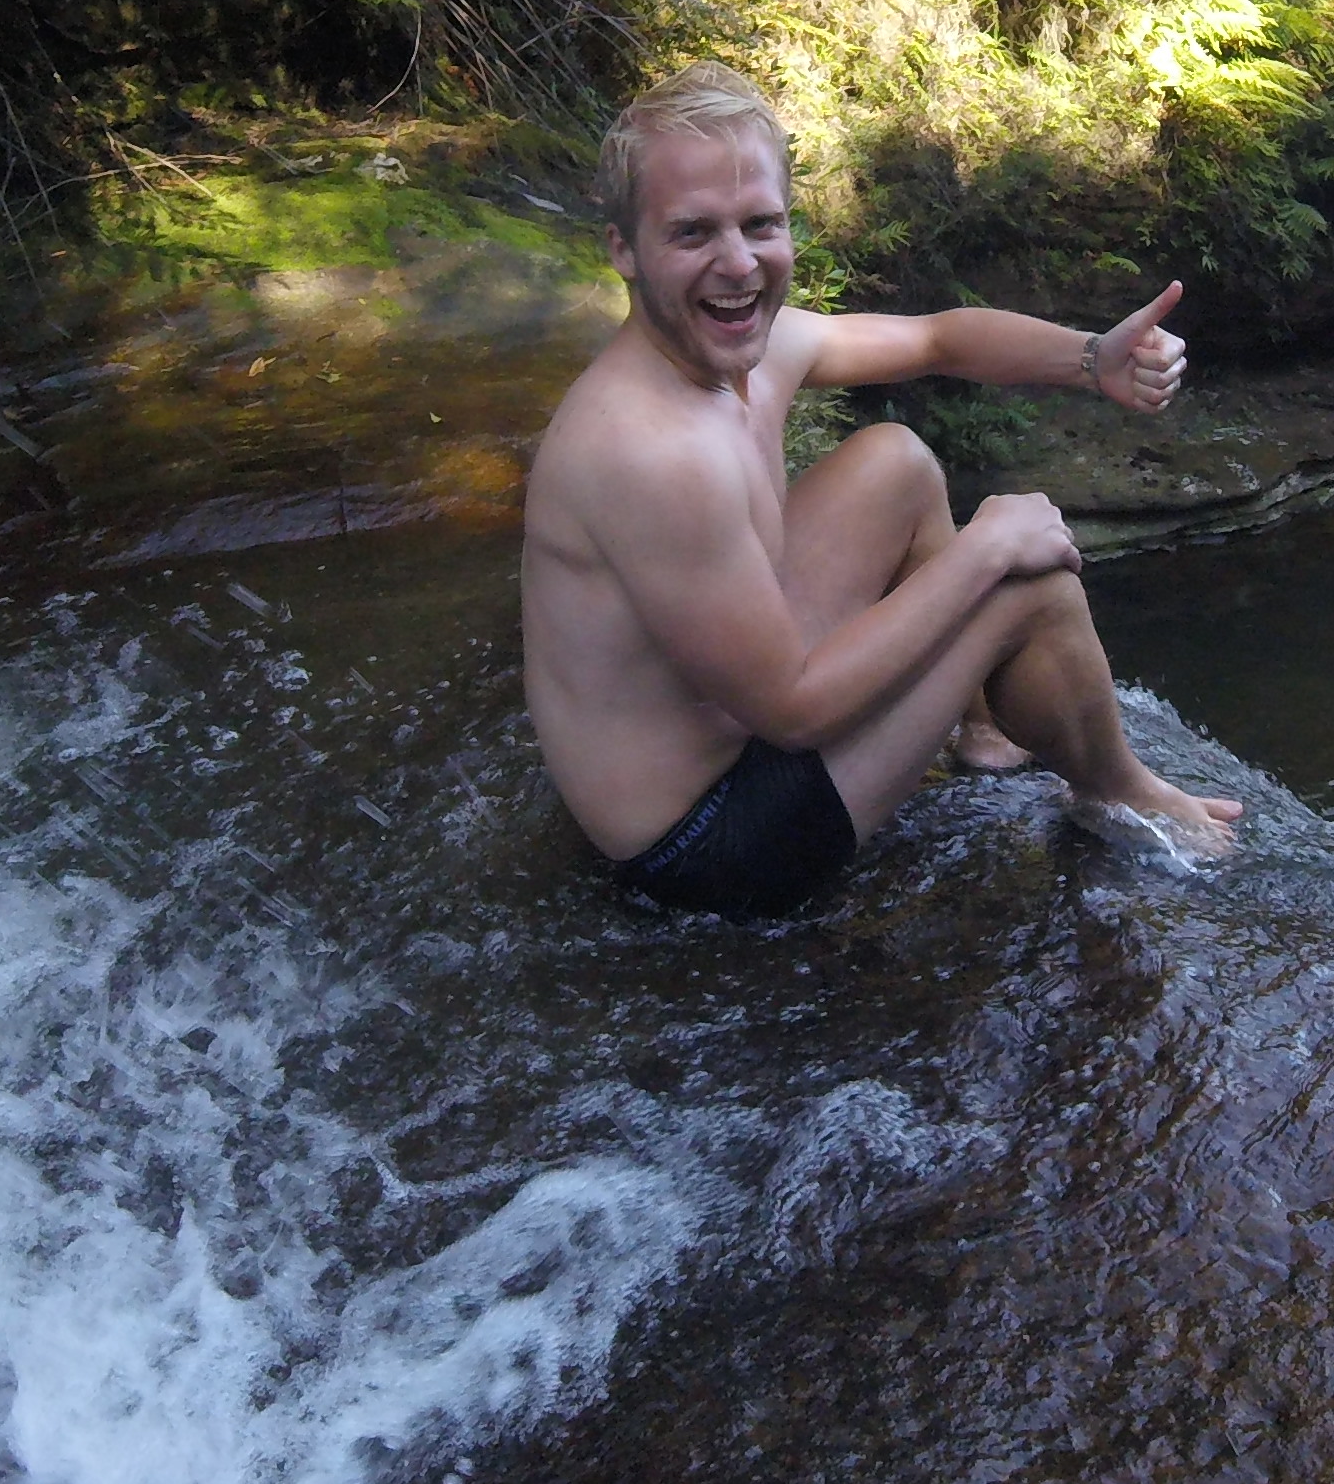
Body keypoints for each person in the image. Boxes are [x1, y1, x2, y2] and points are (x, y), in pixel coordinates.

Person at [521, 61, 1241, 919]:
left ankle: (981, 727)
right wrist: (983, 551)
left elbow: (936, 338)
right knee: (1026, 586)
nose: (738, 263)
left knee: (894, 460)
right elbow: (791, 709)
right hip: (706, 843)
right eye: (692, 233)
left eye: (761, 224)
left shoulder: (754, 349)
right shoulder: (655, 452)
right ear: (623, 250)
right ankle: (1122, 793)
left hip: (729, 729)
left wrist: (1093, 359)